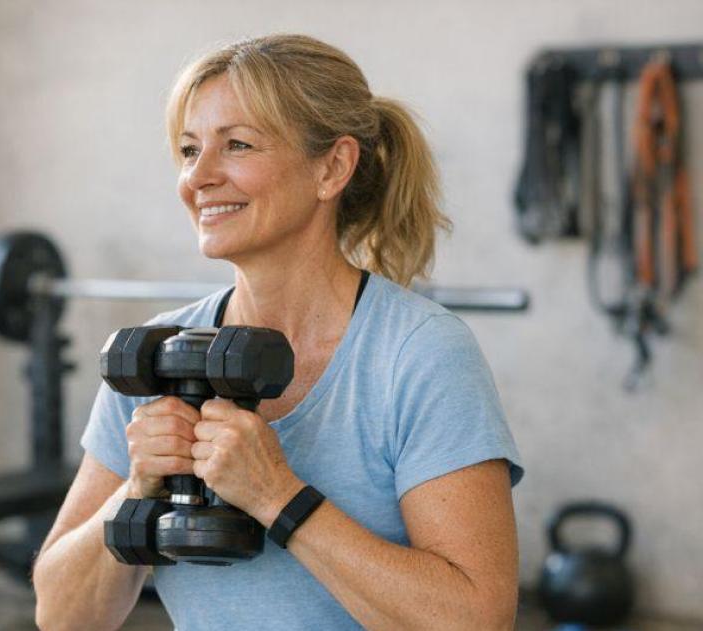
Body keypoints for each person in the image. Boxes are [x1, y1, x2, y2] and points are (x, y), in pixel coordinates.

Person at [32, 34, 523, 630]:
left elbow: (476, 620)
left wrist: (276, 496)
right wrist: (138, 486)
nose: (199, 178)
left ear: (333, 167)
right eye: (190, 151)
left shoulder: (418, 353)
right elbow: (61, 616)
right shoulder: (159, 358)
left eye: (237, 145)